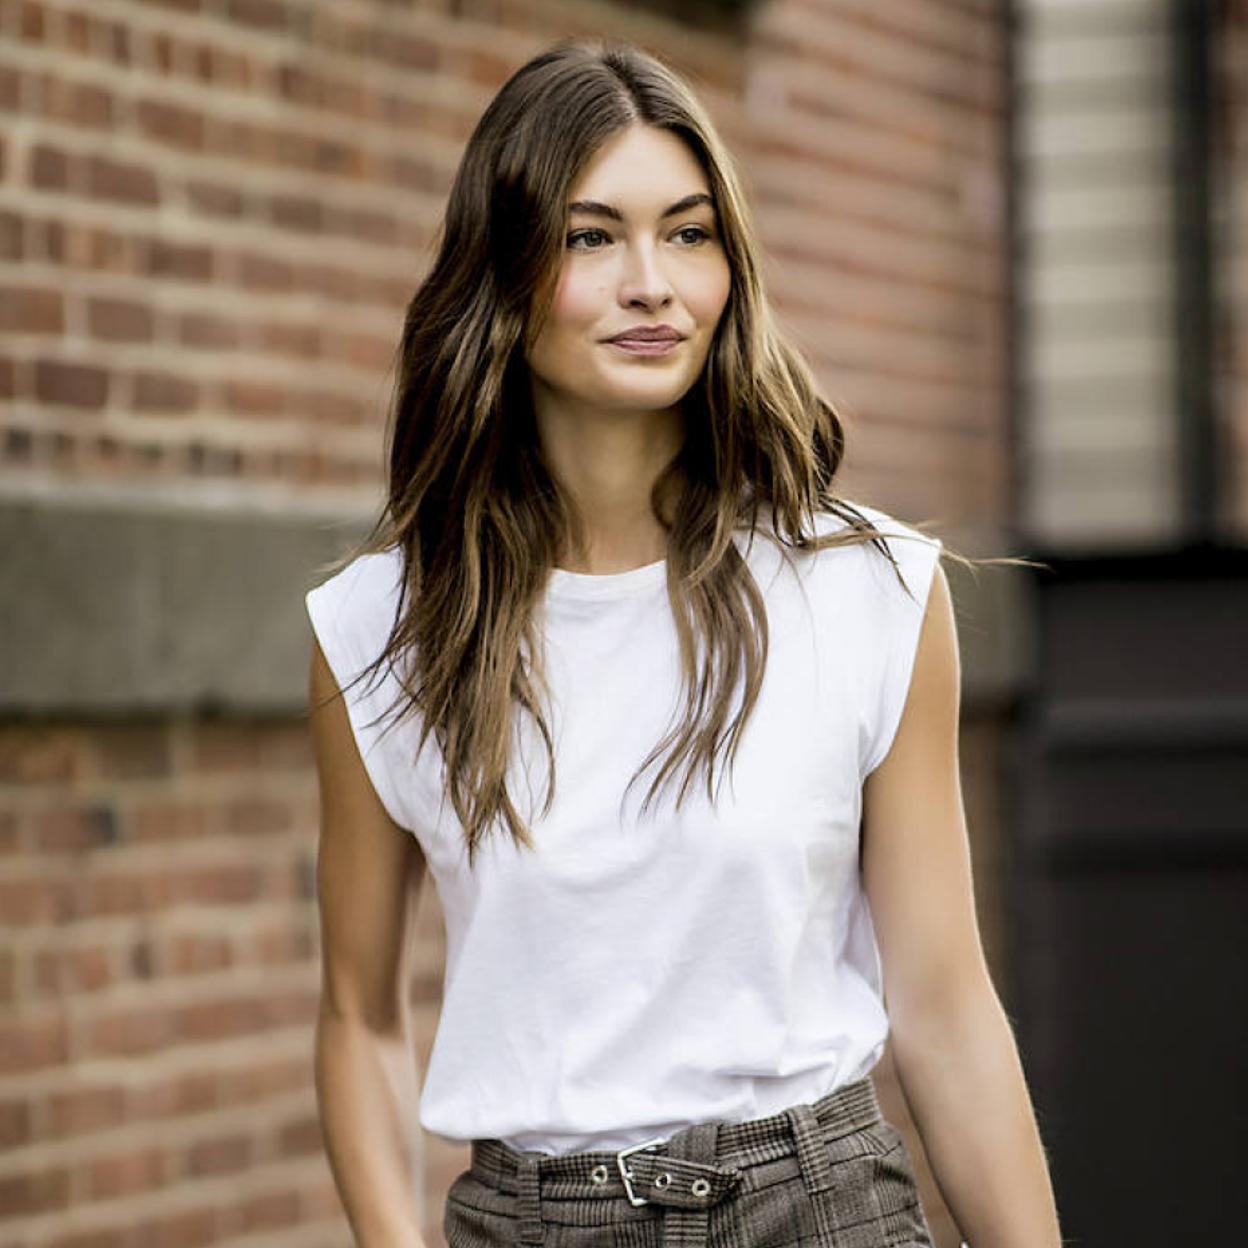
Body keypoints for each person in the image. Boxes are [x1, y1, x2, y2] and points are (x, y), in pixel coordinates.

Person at [304, 36, 1063, 1248]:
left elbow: (947, 1006)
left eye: (690, 232)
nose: (653, 282)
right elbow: (359, 1016)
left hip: (819, 1208)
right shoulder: (379, 632)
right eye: (593, 236)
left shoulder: (866, 591)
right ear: (504, 273)